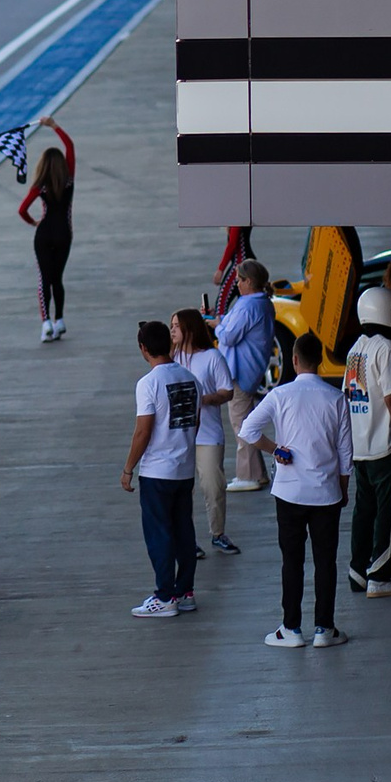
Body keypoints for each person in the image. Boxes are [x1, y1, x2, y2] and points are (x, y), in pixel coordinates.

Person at [239, 331, 352, 649]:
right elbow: (346, 454)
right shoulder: (336, 398)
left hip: (289, 492)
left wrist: (275, 449)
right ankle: (324, 629)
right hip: (326, 493)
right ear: (320, 361)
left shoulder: (280, 395)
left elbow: (248, 430)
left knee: (292, 560)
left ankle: (291, 628)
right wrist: (342, 490)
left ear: (294, 359)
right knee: (325, 561)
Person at [123, 321, 203, 618]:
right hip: (184, 469)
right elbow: (195, 422)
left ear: (144, 349)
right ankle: (185, 592)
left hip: (157, 471)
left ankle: (164, 596)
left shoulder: (148, 383)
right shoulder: (191, 379)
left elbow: (143, 431)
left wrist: (128, 468)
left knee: (159, 534)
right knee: (184, 531)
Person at [345, 285, 391, 598]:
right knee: (390, 511)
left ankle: (358, 571)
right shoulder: (385, 348)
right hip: (385, 443)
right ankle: (380, 575)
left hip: (360, 444)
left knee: (364, 510)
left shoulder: (356, 348)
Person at [172, 307, 240, 555]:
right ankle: (187, 540)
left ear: (189, 328)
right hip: (180, 435)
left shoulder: (212, 357)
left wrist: (203, 399)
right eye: (171, 327)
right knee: (181, 491)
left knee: (213, 486)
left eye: (176, 326)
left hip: (208, 434)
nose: (172, 331)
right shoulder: (172, 358)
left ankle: (218, 533)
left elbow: (227, 391)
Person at [217, 260, 276, 489]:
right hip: (251, 371)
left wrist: (217, 326)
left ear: (249, 282)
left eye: (240, 280)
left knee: (240, 424)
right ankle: (256, 472)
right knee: (246, 421)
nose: (237, 284)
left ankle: (248, 476)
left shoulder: (248, 305)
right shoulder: (260, 303)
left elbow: (229, 335)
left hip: (241, 373)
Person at [17, 119, 77, 342]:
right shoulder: (69, 181)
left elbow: (22, 209)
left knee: (44, 279)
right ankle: (60, 319)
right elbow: (70, 147)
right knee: (57, 278)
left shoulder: (40, 185)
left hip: (43, 234)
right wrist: (55, 126)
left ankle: (46, 324)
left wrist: (34, 222)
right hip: (64, 234)